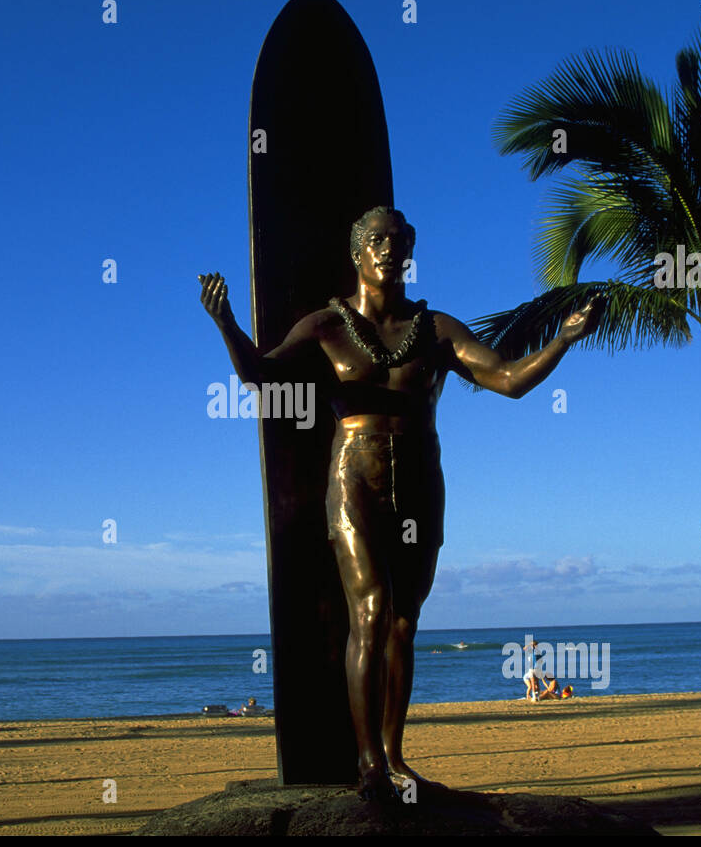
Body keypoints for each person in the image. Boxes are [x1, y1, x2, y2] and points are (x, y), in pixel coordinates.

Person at [201, 207, 601, 800]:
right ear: (357, 252)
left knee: (405, 625)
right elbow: (262, 378)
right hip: (354, 478)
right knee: (371, 611)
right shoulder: (325, 327)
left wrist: (563, 340)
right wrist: (227, 324)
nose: (389, 248)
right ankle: (367, 767)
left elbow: (509, 380)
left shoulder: (436, 329)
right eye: (377, 239)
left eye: (399, 239)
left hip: (420, 483)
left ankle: (394, 754)